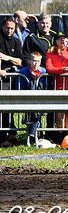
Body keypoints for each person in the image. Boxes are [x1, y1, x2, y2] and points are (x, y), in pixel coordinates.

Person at [0, 17, 24, 147]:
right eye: (7, 28)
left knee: (10, 107)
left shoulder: (16, 41)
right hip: (2, 78)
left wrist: (6, 58)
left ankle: (10, 134)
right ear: (2, 27)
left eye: (12, 29)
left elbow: (20, 60)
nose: (9, 31)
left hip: (12, 77)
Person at [17, 52, 47, 145]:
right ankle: (32, 134)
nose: (36, 63)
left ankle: (33, 134)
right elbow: (19, 85)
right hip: (27, 97)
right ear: (29, 61)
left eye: (38, 61)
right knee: (31, 114)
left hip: (39, 98)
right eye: (34, 61)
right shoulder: (23, 72)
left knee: (36, 113)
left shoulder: (43, 71)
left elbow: (45, 85)